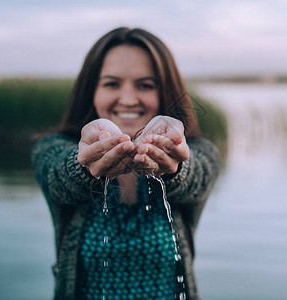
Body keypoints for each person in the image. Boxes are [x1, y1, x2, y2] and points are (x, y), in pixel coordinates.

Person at [32, 27, 222, 300]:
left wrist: (174, 166)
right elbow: (58, 176)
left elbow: (197, 175)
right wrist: (83, 164)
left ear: (165, 91)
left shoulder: (198, 152)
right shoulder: (52, 149)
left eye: (145, 85)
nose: (129, 98)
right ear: (92, 91)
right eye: (112, 84)